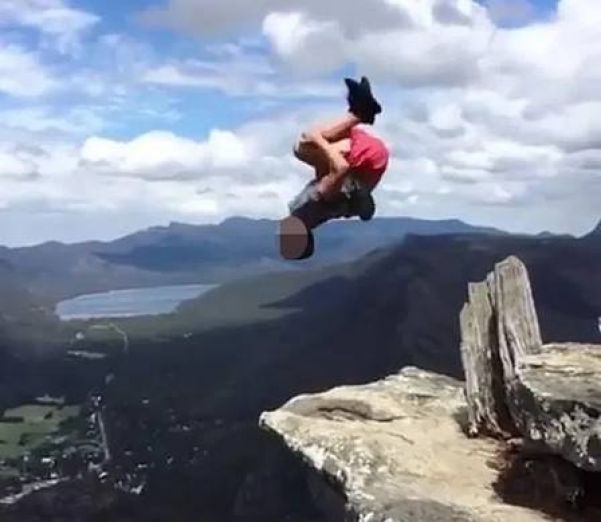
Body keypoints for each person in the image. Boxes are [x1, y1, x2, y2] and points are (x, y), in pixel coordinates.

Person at [288, 76, 390, 229]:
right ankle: (359, 113)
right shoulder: (324, 192)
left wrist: (321, 143)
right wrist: (320, 141)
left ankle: (359, 113)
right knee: (303, 145)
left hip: (366, 156)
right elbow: (340, 167)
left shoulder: (323, 192)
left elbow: (337, 168)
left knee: (305, 144)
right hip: (364, 153)